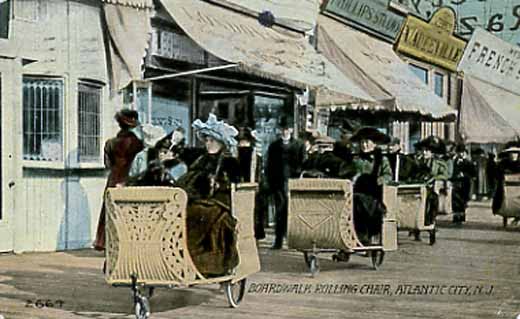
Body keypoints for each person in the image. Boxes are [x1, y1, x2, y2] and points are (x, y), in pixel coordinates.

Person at [175, 113, 241, 277]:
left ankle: (198, 261)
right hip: (199, 199)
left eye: (212, 140)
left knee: (201, 214)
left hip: (220, 202)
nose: (208, 143)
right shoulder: (201, 159)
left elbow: (236, 185)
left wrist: (219, 185)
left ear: (220, 143)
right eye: (206, 140)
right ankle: (179, 258)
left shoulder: (228, 161)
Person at [94, 109, 144, 251]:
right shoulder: (136, 143)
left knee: (109, 208)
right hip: (129, 176)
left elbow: (107, 164)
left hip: (114, 176)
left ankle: (103, 241)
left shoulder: (111, 142)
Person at [266, 117, 306, 249]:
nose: (285, 132)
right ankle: (278, 240)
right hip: (278, 183)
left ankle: (295, 239)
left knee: (294, 211)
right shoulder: (274, 146)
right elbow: (269, 165)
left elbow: (303, 163)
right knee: (280, 211)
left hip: (294, 183)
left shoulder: (299, 145)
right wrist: (270, 182)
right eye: (283, 129)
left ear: (292, 130)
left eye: (287, 129)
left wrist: (300, 178)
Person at [350, 127, 392, 245]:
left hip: (374, 195)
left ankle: (364, 234)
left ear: (374, 143)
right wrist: (353, 178)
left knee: (360, 202)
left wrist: (376, 181)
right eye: (362, 142)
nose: (364, 145)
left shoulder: (381, 160)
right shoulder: (355, 160)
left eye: (367, 142)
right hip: (354, 192)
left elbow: (388, 175)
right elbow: (345, 172)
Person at [411, 136, 449, 239]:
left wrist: (434, 178)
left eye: (427, 151)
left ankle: (431, 227)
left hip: (431, 189)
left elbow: (445, 174)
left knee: (432, 205)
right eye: (423, 151)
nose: (424, 153)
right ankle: (416, 229)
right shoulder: (417, 162)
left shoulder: (438, 163)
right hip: (419, 189)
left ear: (431, 152)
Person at [237, 127, 266, 240]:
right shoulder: (255, 156)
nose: (243, 144)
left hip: (249, 185)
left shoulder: (252, 156)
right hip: (250, 185)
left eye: (244, 141)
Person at [492, 142, 520, 217]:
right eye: (512, 153)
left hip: (518, 185)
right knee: (499, 192)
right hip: (505, 185)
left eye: (515, 153)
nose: (513, 155)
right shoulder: (503, 163)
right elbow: (497, 174)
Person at [451, 144, 476, 224]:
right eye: (459, 153)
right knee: (455, 200)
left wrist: (465, 175)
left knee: (463, 200)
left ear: (465, 153)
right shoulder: (454, 162)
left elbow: (473, 174)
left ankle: (462, 216)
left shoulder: (469, 163)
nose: (461, 154)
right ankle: (456, 216)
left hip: (465, 183)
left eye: (462, 153)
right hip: (456, 182)